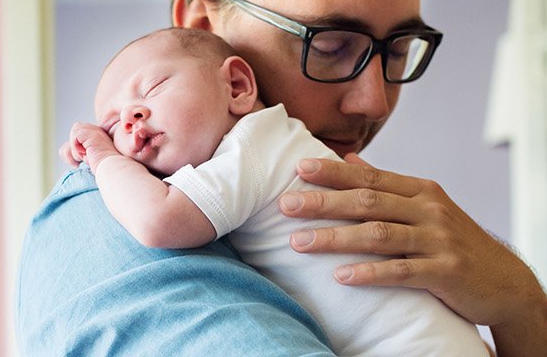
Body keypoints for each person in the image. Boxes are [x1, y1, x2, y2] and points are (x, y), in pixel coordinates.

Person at [17, 0, 547, 355]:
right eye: (331, 46)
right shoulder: (101, 220)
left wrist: (521, 304)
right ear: (202, 27)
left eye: (398, 52)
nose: (375, 100)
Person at [62, 27, 487, 355]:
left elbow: (158, 220)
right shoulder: (268, 145)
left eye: (152, 89)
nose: (132, 117)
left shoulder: (253, 145)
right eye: (114, 125)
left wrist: (103, 157)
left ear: (237, 87)